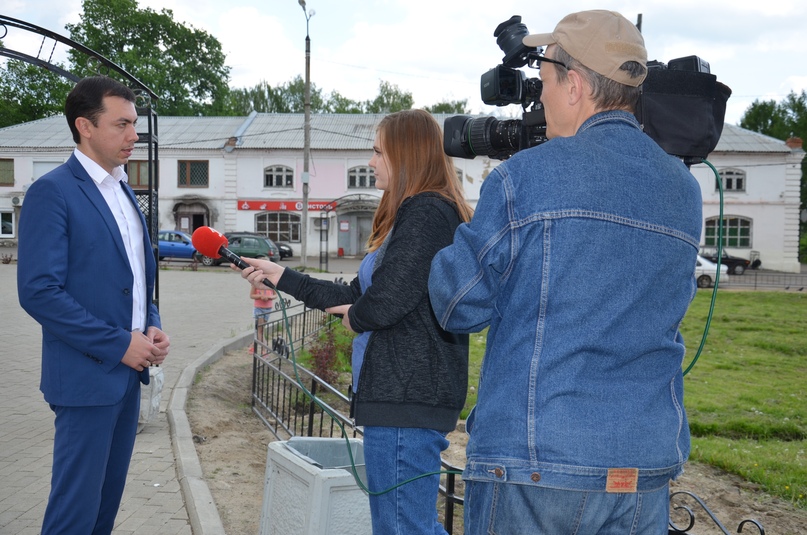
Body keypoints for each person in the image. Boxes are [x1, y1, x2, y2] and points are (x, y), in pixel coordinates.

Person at [428, 10, 702, 535]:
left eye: (546, 79)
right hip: (640, 472)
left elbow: (456, 303)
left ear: (574, 85)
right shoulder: (683, 190)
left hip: (537, 467)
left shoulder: (523, 177)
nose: (541, 96)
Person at [237, 109, 473, 534]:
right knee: (407, 525)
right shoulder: (418, 212)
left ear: (406, 155)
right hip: (403, 398)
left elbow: (383, 303)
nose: (371, 161)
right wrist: (282, 276)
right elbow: (356, 295)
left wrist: (357, 319)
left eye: (379, 152)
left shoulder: (426, 212)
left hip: (406, 399)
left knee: (404, 528)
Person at [17, 76, 170, 535]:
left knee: (104, 508)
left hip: (127, 375)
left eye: (135, 124)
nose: (134, 135)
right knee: (74, 513)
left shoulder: (124, 190)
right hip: (85, 379)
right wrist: (119, 343)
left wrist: (151, 324)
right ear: (84, 126)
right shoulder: (53, 191)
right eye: (122, 124)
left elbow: (136, 277)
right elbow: (39, 291)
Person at [250, 284, 276, 352]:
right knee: (260, 330)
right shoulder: (255, 284)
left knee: (261, 330)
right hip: (259, 308)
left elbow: (275, 295)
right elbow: (251, 295)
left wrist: (269, 297)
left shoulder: (271, 284)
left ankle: (253, 345)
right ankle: (264, 350)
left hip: (268, 309)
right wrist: (260, 296)